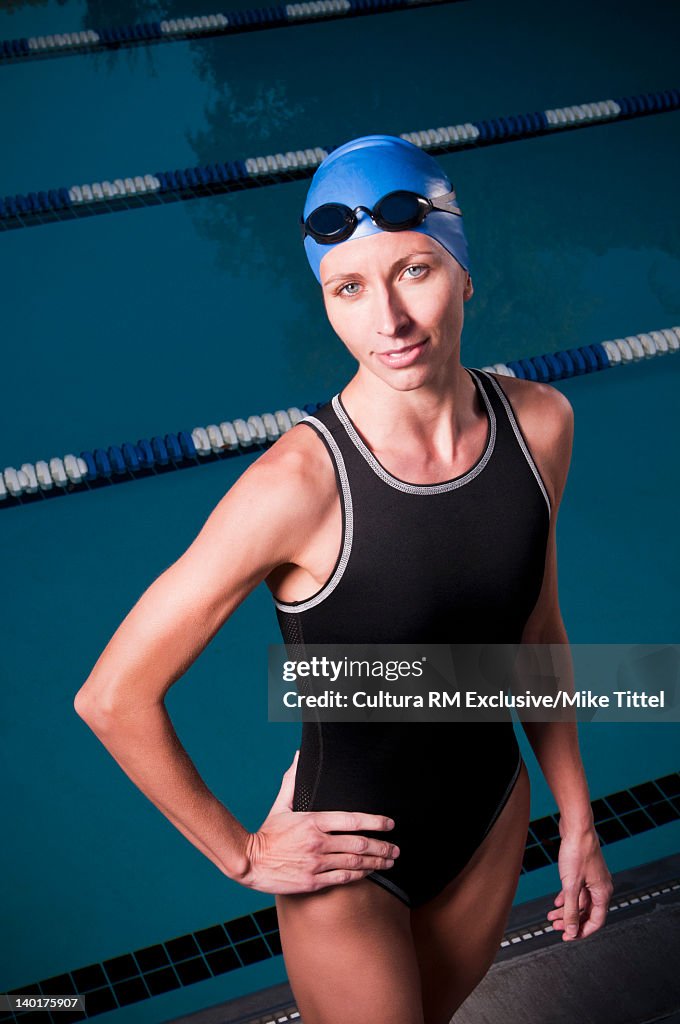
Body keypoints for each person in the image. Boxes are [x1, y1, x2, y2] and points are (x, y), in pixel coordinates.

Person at [74, 135, 614, 1024]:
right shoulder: (297, 485)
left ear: (466, 270)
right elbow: (113, 695)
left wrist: (580, 819)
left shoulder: (540, 426)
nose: (388, 322)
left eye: (414, 270)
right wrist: (242, 856)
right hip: (346, 867)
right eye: (349, 288)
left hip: (490, 823)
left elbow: (536, 635)